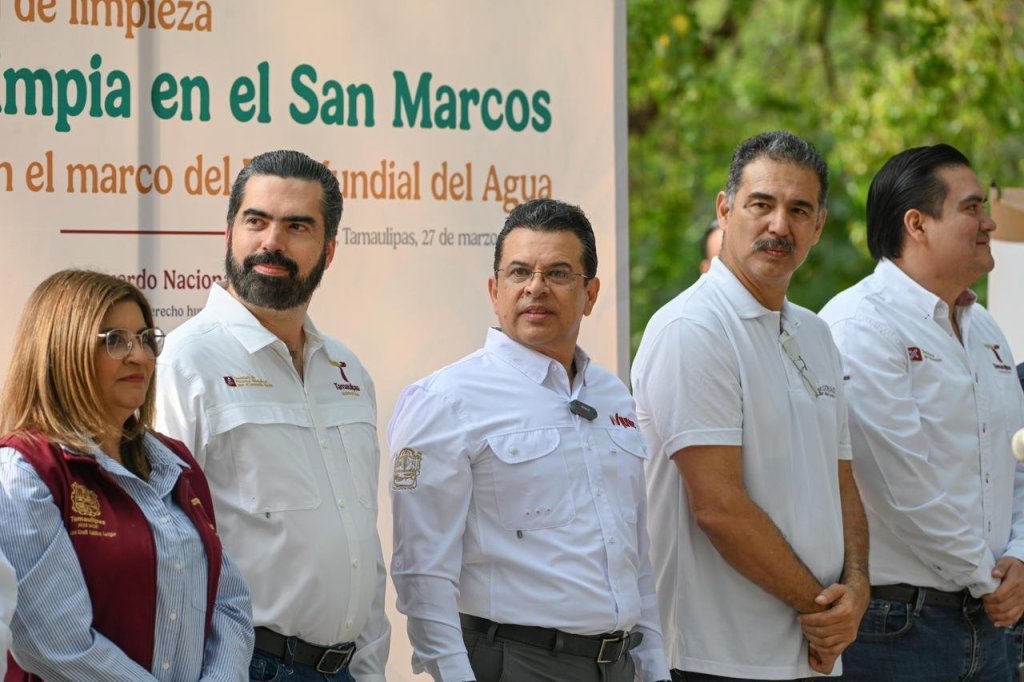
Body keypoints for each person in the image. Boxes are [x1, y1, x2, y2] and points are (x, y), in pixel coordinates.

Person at [388, 198, 672, 682]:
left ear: (591, 293)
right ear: (494, 290)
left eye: (558, 273)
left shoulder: (613, 396)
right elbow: (422, 574)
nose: (535, 287)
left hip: (620, 664)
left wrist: (654, 667)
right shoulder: (446, 400)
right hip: (515, 662)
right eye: (519, 272)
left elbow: (634, 555)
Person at [632, 130, 870, 680]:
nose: (779, 226)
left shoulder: (815, 334)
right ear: (725, 209)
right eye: (761, 204)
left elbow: (841, 480)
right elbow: (718, 507)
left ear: (819, 226)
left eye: (799, 210)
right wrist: (822, 611)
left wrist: (858, 587)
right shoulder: (693, 328)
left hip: (811, 653)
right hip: (716, 657)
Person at [156, 150, 390, 682]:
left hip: (344, 668)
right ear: (228, 233)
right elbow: (164, 547)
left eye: (297, 226)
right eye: (256, 221)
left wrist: (370, 668)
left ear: (329, 249)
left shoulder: (348, 369)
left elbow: (361, 540)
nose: (272, 242)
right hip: (244, 666)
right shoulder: (185, 364)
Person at [819, 144, 1024, 680]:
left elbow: (1015, 461)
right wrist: (989, 576)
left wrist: (1020, 556)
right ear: (917, 224)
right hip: (897, 630)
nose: (989, 222)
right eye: (971, 208)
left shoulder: (984, 327)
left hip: (991, 619)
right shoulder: (859, 325)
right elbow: (899, 487)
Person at [0, 269, 253, 681]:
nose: (139, 356)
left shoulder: (176, 463)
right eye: (115, 340)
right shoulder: (24, 470)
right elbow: (57, 645)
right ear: (62, 350)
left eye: (145, 338)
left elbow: (229, 603)